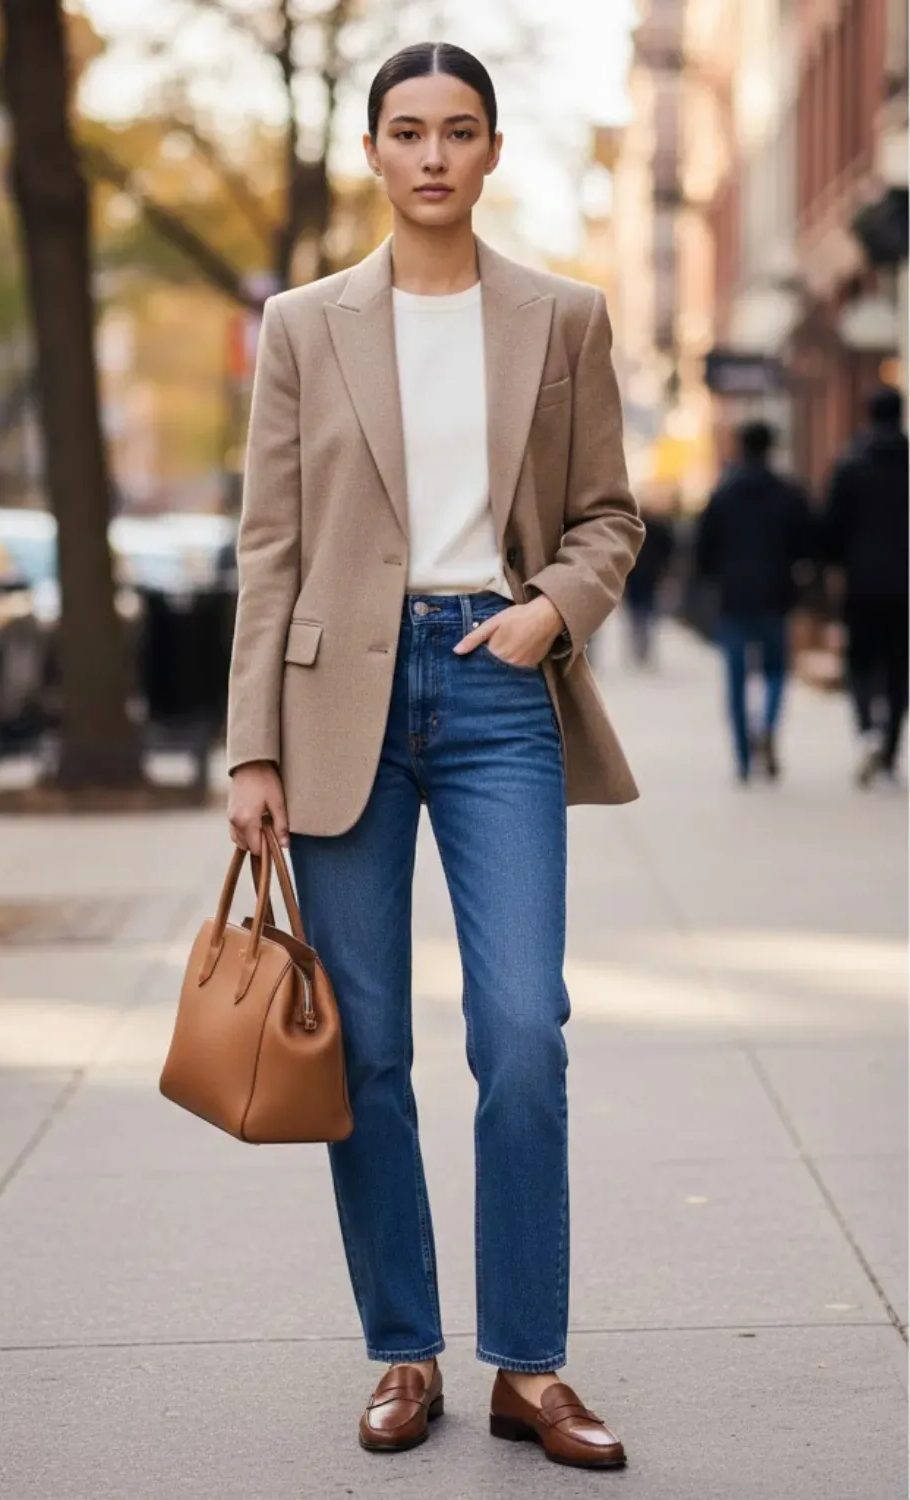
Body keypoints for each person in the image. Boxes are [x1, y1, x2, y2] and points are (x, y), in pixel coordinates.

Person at [226, 42, 642, 1469]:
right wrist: (249, 753)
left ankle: (532, 1365)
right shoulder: (303, 323)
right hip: (337, 700)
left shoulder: (564, 316)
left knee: (523, 1031)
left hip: (493, 687)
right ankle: (404, 1349)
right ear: (373, 151)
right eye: (407, 132)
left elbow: (609, 517)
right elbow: (269, 545)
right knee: (375, 1052)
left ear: (493, 150)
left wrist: (548, 615)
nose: (433, 158)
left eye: (459, 132)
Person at [695, 421, 813, 782]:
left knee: (735, 679)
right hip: (776, 595)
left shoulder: (723, 494)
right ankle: (767, 725)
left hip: (734, 597)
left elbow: (704, 550)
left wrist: (715, 576)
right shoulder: (788, 492)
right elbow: (806, 543)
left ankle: (744, 758)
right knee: (777, 671)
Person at [821, 386, 909, 787]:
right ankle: (889, 752)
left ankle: (867, 731)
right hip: (905, 585)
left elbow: (831, 530)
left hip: (861, 583)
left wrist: (831, 569)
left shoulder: (850, 467)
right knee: (899, 669)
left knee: (860, 664)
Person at [623, 504, 675, 666]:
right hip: (650, 575)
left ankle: (640, 645)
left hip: (635, 575)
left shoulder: (630, 530)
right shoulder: (660, 529)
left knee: (636, 613)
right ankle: (644, 646)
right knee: (648, 612)